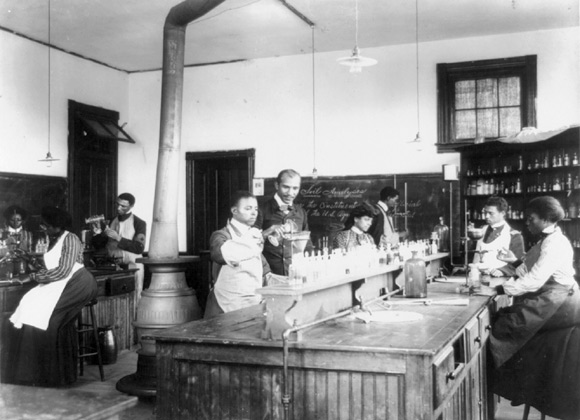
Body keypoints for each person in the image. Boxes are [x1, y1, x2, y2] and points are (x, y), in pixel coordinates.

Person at [478, 196, 580, 419]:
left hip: (562, 301)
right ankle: (513, 386)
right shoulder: (547, 239)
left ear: (545, 219)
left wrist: (498, 290)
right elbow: (529, 272)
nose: (528, 223)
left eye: (531, 219)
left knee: (507, 324)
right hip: (552, 296)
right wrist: (514, 262)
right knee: (505, 316)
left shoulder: (554, 243)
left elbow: (534, 281)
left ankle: (517, 386)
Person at [7, 206, 98, 387]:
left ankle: (54, 377)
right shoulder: (54, 239)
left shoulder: (71, 239)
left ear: (58, 225)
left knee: (49, 320)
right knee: (32, 311)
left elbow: (63, 271)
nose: (44, 228)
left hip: (79, 284)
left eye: (48, 226)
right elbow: (51, 269)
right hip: (64, 283)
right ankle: (39, 374)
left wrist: (33, 276)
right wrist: (29, 259)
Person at [204, 191, 271, 318]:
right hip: (225, 304)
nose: (254, 213)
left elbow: (266, 272)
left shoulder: (254, 235)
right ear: (234, 210)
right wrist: (260, 237)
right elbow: (219, 255)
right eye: (248, 208)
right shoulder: (221, 235)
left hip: (252, 302)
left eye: (256, 209)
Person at [255, 169, 312, 275]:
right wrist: (268, 231)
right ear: (277, 185)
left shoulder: (301, 213)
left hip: (295, 275)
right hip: (267, 275)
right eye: (286, 187)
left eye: (295, 188)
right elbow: (251, 243)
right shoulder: (260, 210)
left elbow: (307, 244)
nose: (290, 193)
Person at [91, 193, 146, 302]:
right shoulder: (110, 221)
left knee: (134, 298)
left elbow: (139, 248)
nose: (118, 208)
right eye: (117, 204)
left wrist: (118, 238)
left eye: (123, 206)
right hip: (113, 267)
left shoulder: (139, 223)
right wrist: (97, 233)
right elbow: (99, 245)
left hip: (132, 267)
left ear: (131, 206)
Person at [471, 196, 525, 276]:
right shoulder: (481, 230)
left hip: (498, 278)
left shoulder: (514, 235)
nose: (486, 216)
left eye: (491, 213)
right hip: (477, 275)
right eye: (485, 212)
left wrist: (503, 271)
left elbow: (518, 263)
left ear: (502, 213)